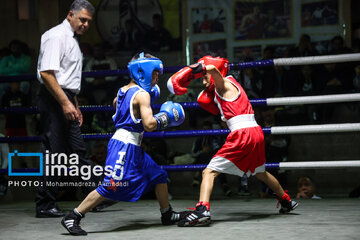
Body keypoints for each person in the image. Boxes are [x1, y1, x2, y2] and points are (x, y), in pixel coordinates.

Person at [61, 52, 187, 236]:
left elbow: (116, 105)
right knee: (111, 185)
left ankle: (166, 214)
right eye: (154, 73)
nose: (157, 76)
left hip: (132, 146)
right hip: (124, 146)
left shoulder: (122, 91)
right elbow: (150, 125)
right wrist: (167, 117)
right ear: (142, 72)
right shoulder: (142, 95)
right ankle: (73, 216)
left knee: (159, 175)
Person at [168, 55, 298, 227]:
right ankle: (286, 201)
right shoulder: (231, 84)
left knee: (208, 172)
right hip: (255, 132)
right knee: (261, 173)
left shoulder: (223, 84)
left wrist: (192, 71)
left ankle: (202, 210)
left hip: (242, 133)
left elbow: (213, 70)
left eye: (205, 78)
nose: (204, 82)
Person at [35, 0, 99, 218]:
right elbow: (47, 73)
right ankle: (45, 204)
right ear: (70, 14)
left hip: (66, 97)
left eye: (88, 21)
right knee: (55, 153)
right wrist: (64, 102)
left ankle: (94, 198)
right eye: (82, 19)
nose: (85, 25)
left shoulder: (71, 39)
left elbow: (68, 78)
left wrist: (74, 103)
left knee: (78, 151)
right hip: (54, 98)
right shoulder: (56, 36)